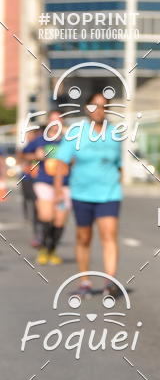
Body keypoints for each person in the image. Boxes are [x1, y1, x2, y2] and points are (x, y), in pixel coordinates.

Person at [54, 91, 122, 298]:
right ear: (87, 108)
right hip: (82, 193)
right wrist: (58, 189)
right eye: (94, 105)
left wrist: (119, 181)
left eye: (103, 106)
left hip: (110, 193)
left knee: (108, 235)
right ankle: (84, 280)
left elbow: (119, 165)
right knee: (84, 237)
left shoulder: (115, 133)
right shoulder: (76, 131)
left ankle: (109, 280)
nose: (99, 110)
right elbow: (61, 162)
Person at [22, 110, 71, 265]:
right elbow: (22, 154)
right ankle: (43, 249)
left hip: (64, 185)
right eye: (53, 121)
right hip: (44, 182)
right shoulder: (40, 140)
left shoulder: (70, 141)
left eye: (59, 121)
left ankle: (52, 250)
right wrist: (35, 156)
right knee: (46, 216)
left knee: (59, 221)